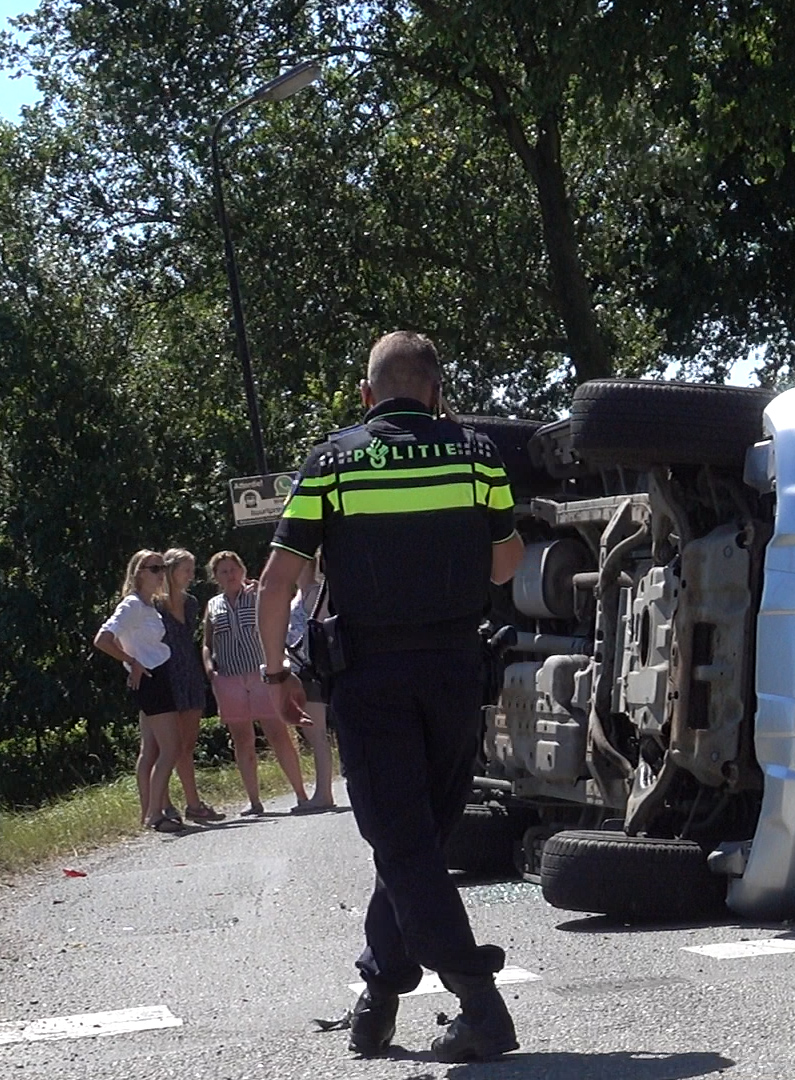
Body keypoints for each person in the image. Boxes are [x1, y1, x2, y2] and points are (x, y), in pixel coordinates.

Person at [254, 331, 525, 1062]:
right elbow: (506, 566)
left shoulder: (334, 461)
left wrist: (279, 674)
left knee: (403, 842)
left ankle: (478, 1000)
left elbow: (279, 581)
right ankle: (377, 1000)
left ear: (367, 395)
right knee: (416, 843)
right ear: (436, 391)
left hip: (371, 681)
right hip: (453, 673)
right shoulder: (477, 454)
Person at [204, 550, 309, 816]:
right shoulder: (213, 605)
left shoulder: (256, 594)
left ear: (242, 569)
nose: (230, 575)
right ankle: (254, 800)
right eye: (223, 571)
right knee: (242, 740)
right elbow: (207, 641)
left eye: (233, 569)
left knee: (277, 733)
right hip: (229, 677)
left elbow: (282, 602)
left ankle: (301, 794)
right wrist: (209, 667)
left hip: (261, 674)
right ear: (215, 576)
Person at [93, 550, 187, 832]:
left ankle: (150, 811)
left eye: (163, 568)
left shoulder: (148, 606)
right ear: (139, 573)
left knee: (150, 750)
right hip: (150, 678)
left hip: (154, 674)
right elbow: (103, 639)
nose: (161, 574)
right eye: (155, 568)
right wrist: (131, 661)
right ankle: (156, 814)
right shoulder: (132, 605)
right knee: (172, 748)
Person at [155, 548, 225, 823]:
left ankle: (193, 804)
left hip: (190, 675)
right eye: (186, 569)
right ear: (171, 571)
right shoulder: (153, 605)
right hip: (165, 677)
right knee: (166, 746)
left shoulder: (192, 603)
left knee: (186, 744)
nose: (191, 575)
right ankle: (163, 803)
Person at [288, 558, 337, 810]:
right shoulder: (299, 594)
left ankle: (324, 794)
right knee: (312, 733)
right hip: (300, 670)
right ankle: (322, 791)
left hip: (312, 671)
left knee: (317, 734)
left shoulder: (316, 593)